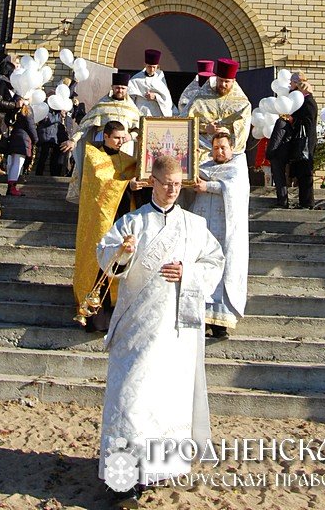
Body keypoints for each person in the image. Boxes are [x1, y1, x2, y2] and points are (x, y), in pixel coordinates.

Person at [96, 156, 224, 497]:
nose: (172, 191)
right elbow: (106, 256)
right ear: (153, 181)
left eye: (178, 185)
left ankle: (156, 469)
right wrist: (122, 252)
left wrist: (189, 273)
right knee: (130, 399)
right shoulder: (133, 222)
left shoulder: (195, 225)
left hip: (175, 330)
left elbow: (214, 260)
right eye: (166, 183)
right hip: (136, 328)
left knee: (166, 402)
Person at [73, 120, 139, 332]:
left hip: (120, 218)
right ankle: (93, 314)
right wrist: (127, 184)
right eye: (117, 138)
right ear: (107, 137)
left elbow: (137, 172)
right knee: (99, 262)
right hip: (99, 221)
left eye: (124, 137)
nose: (121, 142)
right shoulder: (93, 155)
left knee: (120, 262)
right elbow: (102, 183)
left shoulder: (127, 159)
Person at [189, 131, 249, 338]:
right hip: (203, 227)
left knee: (222, 271)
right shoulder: (203, 167)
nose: (219, 151)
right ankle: (199, 317)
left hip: (225, 231)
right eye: (215, 148)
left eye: (223, 147)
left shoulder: (238, 168)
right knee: (200, 268)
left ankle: (220, 323)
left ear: (231, 148)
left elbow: (235, 189)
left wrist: (209, 186)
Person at [64, 72, 141, 202]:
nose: (120, 90)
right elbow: (85, 126)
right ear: (112, 87)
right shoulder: (102, 104)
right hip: (102, 146)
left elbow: (140, 128)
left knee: (120, 176)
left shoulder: (132, 108)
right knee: (102, 175)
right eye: (117, 87)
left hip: (124, 147)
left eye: (123, 88)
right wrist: (73, 140)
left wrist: (131, 135)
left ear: (127, 89)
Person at [267, 71, 318, 209]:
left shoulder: (309, 102)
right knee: (301, 173)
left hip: (305, 143)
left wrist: (292, 119)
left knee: (305, 174)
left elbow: (308, 124)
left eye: (292, 82)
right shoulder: (298, 101)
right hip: (298, 142)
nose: (289, 84)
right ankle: (304, 202)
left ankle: (307, 203)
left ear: (298, 84)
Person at [187, 58, 251, 164]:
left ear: (233, 81)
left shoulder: (242, 103)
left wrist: (227, 133)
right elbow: (186, 122)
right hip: (203, 148)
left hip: (229, 150)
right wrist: (205, 128)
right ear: (216, 79)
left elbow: (242, 132)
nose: (223, 84)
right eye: (220, 80)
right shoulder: (201, 98)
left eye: (227, 82)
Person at [127, 48, 173, 117]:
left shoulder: (160, 80)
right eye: (149, 67)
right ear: (145, 65)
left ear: (157, 66)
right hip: (141, 113)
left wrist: (155, 97)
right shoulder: (135, 79)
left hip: (157, 114)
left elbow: (167, 100)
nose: (152, 69)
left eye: (154, 67)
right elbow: (129, 99)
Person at [5, 100, 38, 196]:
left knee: (13, 163)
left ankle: (10, 186)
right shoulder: (27, 109)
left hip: (15, 137)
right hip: (23, 139)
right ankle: (12, 187)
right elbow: (31, 126)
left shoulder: (15, 109)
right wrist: (35, 139)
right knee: (18, 164)